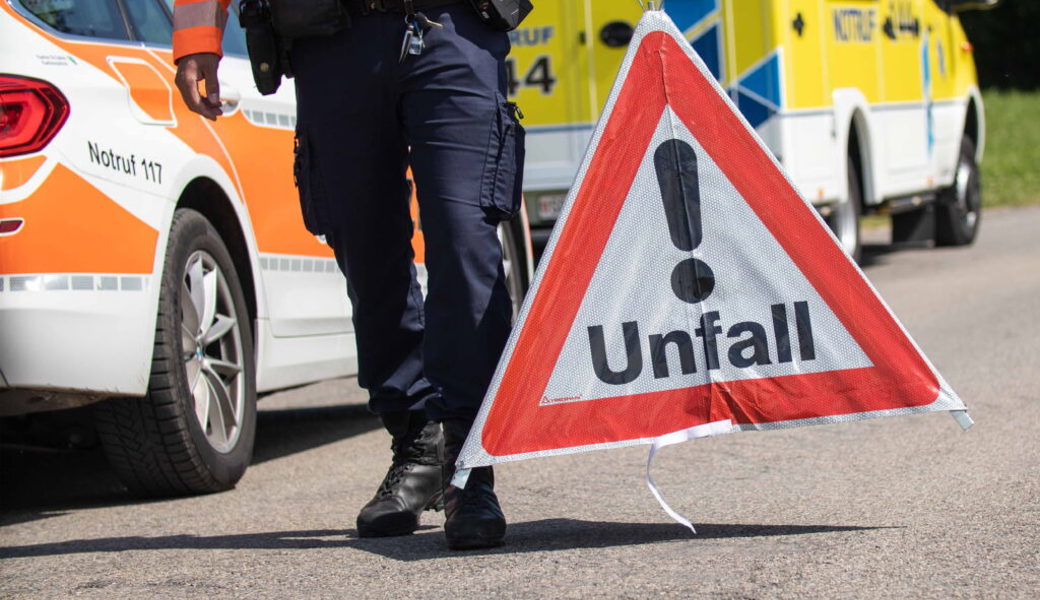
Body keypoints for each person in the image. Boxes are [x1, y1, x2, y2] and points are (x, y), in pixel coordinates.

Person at [172, 0, 525, 550]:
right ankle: (416, 439)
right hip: (332, 37)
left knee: (465, 241)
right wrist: (198, 38)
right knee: (366, 250)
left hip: (452, 26)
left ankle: (467, 462)